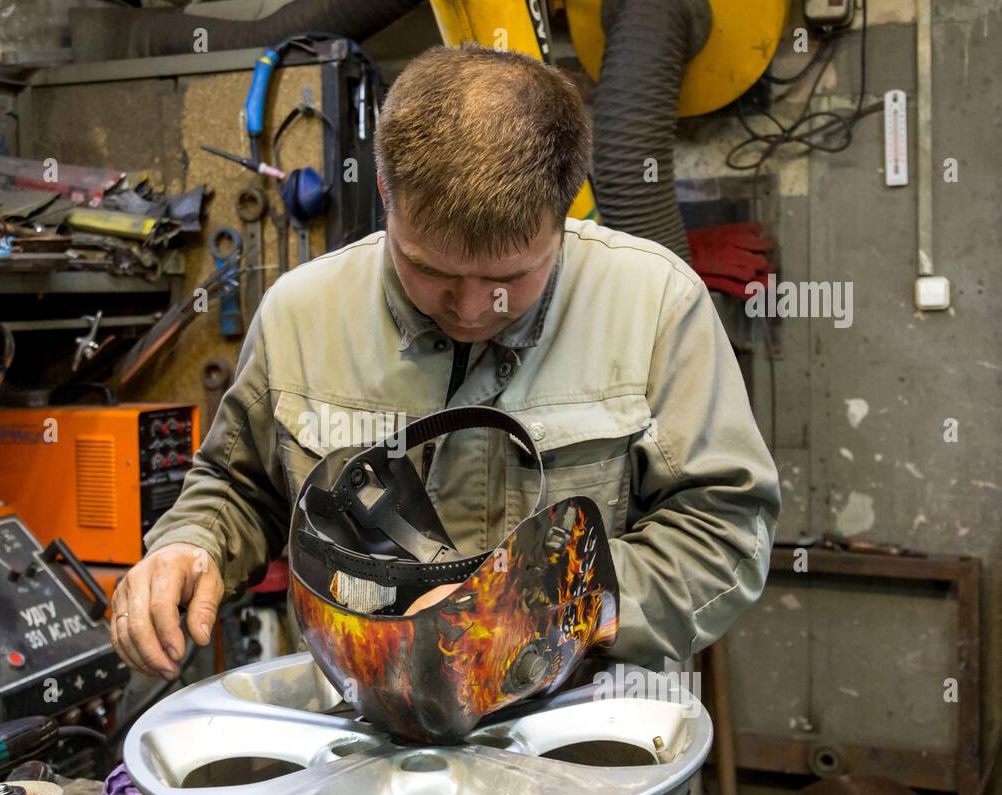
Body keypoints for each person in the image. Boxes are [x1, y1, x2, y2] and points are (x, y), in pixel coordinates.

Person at [109, 44, 781, 684]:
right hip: (360, 732)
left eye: (511, 277)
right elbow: (239, 484)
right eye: (428, 269)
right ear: (383, 191)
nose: (468, 308)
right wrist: (191, 543)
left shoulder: (655, 306)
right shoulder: (300, 313)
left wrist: (539, 605)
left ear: (566, 206)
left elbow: (723, 527)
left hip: (576, 742)